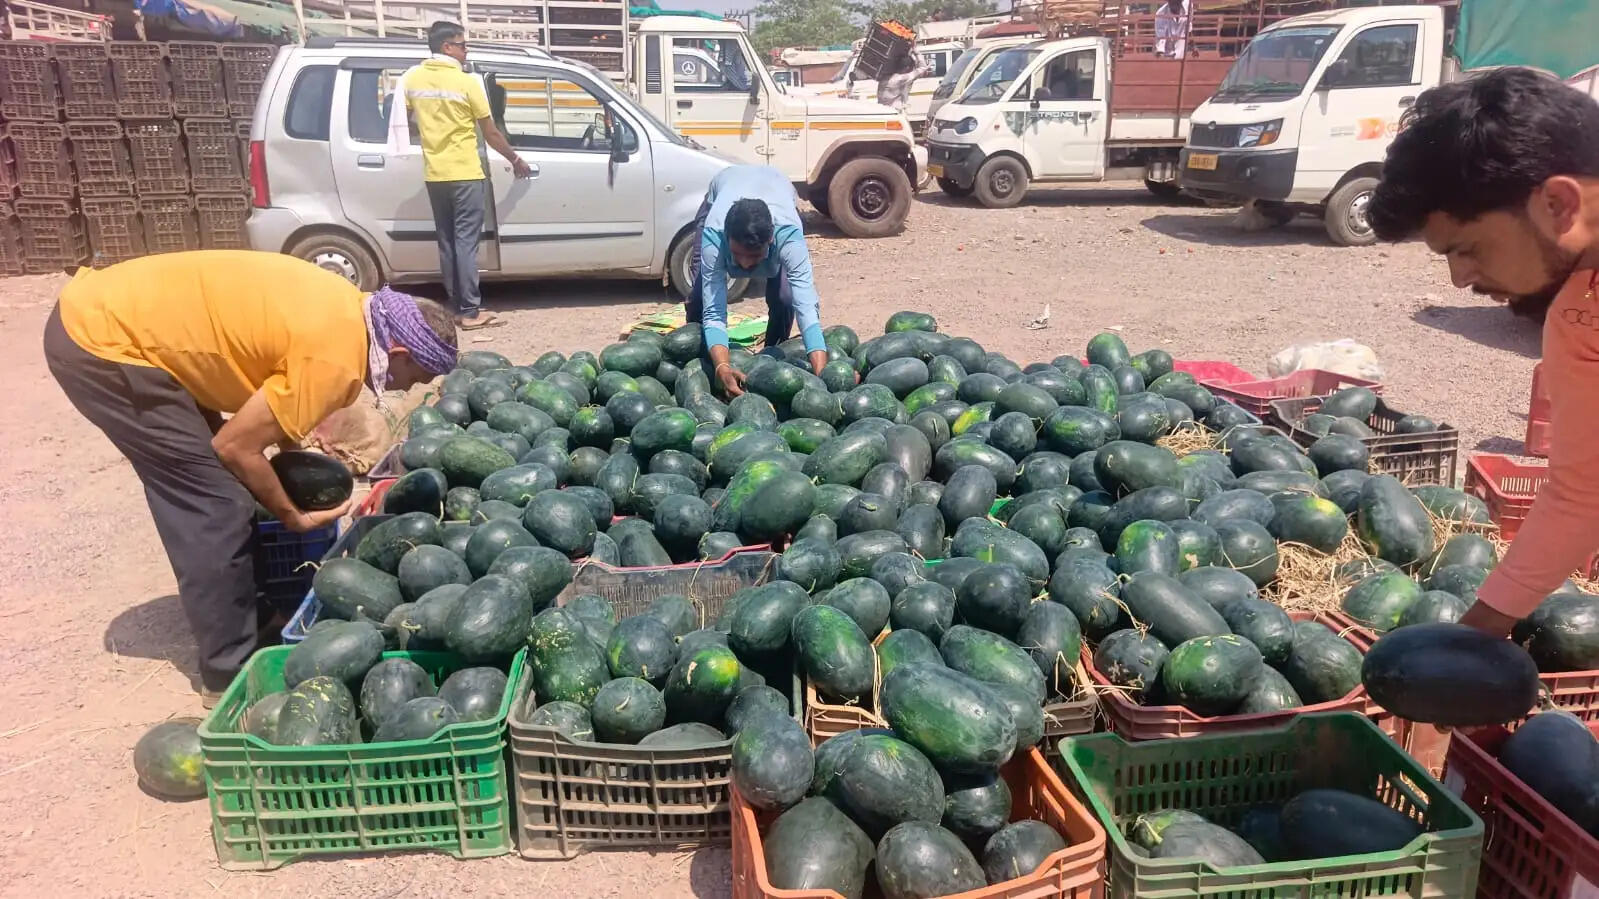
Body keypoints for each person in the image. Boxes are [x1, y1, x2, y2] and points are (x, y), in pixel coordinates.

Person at [43, 251, 459, 703]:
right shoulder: (336, 363)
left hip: (122, 319)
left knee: (224, 484)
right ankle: (227, 672)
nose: (409, 389)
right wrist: (292, 516)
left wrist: (295, 465)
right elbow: (234, 447)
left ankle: (251, 614)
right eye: (417, 376)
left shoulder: (350, 309)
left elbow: (278, 407)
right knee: (214, 505)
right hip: (103, 343)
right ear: (397, 352)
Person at [1367, 68, 1599, 638]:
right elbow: (1582, 487)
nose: (1458, 279)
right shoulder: (1580, 314)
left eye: (1467, 249)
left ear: (1559, 204)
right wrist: (1476, 636)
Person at [406, 20, 532, 330]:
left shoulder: (413, 78)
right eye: (463, 45)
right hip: (464, 172)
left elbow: (409, 120)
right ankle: (471, 312)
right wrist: (515, 158)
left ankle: (456, 304)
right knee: (465, 243)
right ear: (446, 47)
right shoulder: (466, 83)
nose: (466, 50)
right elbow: (490, 131)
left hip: (435, 173)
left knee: (448, 243)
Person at [686, 165, 830, 396]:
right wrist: (723, 366)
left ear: (771, 240)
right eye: (737, 253)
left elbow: (806, 306)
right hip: (723, 191)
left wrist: (822, 377)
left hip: (778, 188)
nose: (743, 264)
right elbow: (715, 311)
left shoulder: (788, 235)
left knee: (785, 298)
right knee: (699, 300)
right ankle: (703, 365)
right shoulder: (715, 234)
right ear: (727, 237)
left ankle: (772, 356)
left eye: (754, 255)